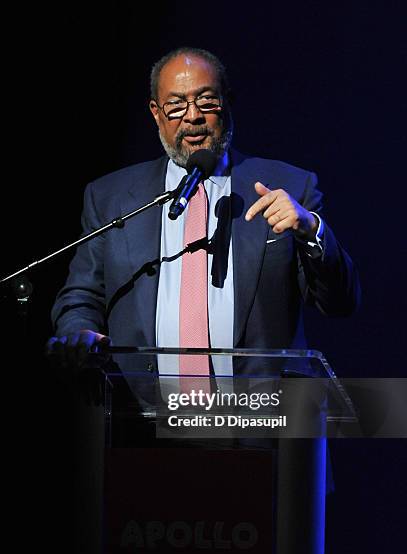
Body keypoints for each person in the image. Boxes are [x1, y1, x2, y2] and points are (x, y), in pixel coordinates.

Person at [48, 46, 360, 380]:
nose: (193, 115)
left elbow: (340, 302)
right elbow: (81, 294)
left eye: (207, 101)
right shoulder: (110, 198)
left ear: (227, 102)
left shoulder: (289, 187)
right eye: (176, 105)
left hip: (264, 415)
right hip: (142, 415)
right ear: (156, 113)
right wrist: (79, 332)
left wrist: (310, 229)